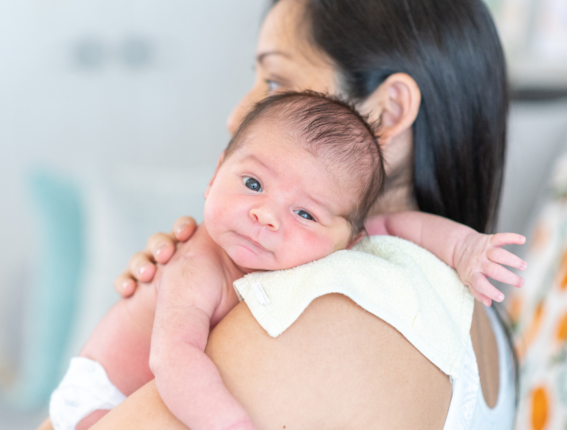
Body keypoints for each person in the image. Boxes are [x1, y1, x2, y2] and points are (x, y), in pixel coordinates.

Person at [37, 0, 515, 428]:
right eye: (252, 184)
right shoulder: (474, 318)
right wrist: (466, 248)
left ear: (388, 111)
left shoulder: (320, 309)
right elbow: (395, 229)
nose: (236, 117)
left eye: (275, 81)